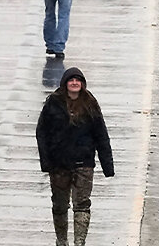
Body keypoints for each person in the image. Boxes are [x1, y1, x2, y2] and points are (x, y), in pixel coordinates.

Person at [36, 68, 114, 246]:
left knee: (82, 205)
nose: (74, 83)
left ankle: (79, 242)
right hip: (59, 165)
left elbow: (101, 135)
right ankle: (61, 240)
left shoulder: (90, 104)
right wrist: (46, 161)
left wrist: (107, 165)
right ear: (65, 83)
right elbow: (42, 132)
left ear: (83, 84)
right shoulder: (53, 104)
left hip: (84, 163)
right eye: (71, 80)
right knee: (60, 205)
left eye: (78, 80)